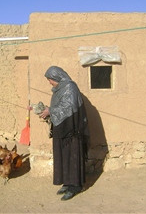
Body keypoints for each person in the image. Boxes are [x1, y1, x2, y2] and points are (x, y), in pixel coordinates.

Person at [39, 66, 89, 201]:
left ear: (57, 77)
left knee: (72, 156)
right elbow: (59, 106)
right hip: (61, 129)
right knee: (63, 156)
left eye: (50, 79)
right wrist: (47, 111)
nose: (49, 82)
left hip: (72, 130)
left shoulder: (70, 87)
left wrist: (51, 111)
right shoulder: (59, 89)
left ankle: (75, 186)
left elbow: (70, 107)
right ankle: (67, 183)